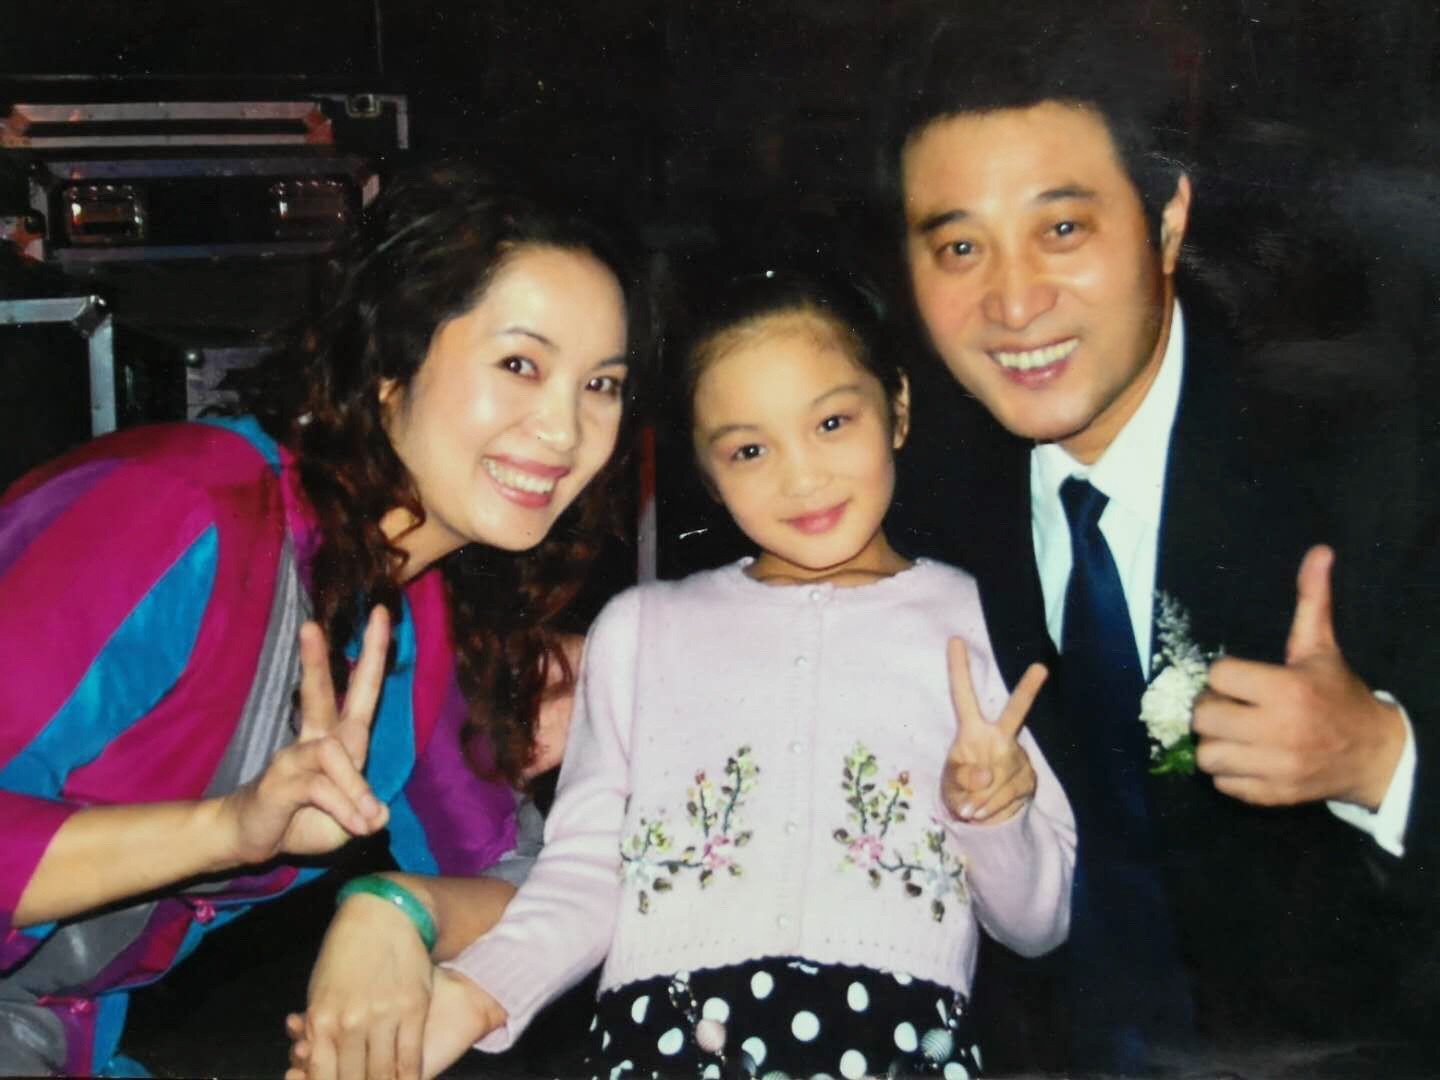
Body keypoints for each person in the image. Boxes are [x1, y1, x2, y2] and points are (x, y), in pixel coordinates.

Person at [287, 269, 1076, 1079]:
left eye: (832, 422)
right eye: (749, 449)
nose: (802, 478)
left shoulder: (984, 621)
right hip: (659, 1046)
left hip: (896, 1050)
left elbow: (1038, 923)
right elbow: (585, 872)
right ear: (705, 469)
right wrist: (474, 994)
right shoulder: (643, 630)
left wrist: (993, 816)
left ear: (897, 408)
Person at [882, 8, 1439, 1075]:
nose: (1013, 303)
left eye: (1062, 229)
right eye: (959, 247)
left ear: (1168, 220)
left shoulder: (1372, 462)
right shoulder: (904, 495)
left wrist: (1382, 760)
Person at [0, 163, 645, 1077]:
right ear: (389, 367)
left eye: (602, 385)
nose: (566, 430)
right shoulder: (176, 510)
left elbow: (540, 888)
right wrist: (227, 829)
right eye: (519, 365)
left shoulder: (411, 621)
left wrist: (397, 910)